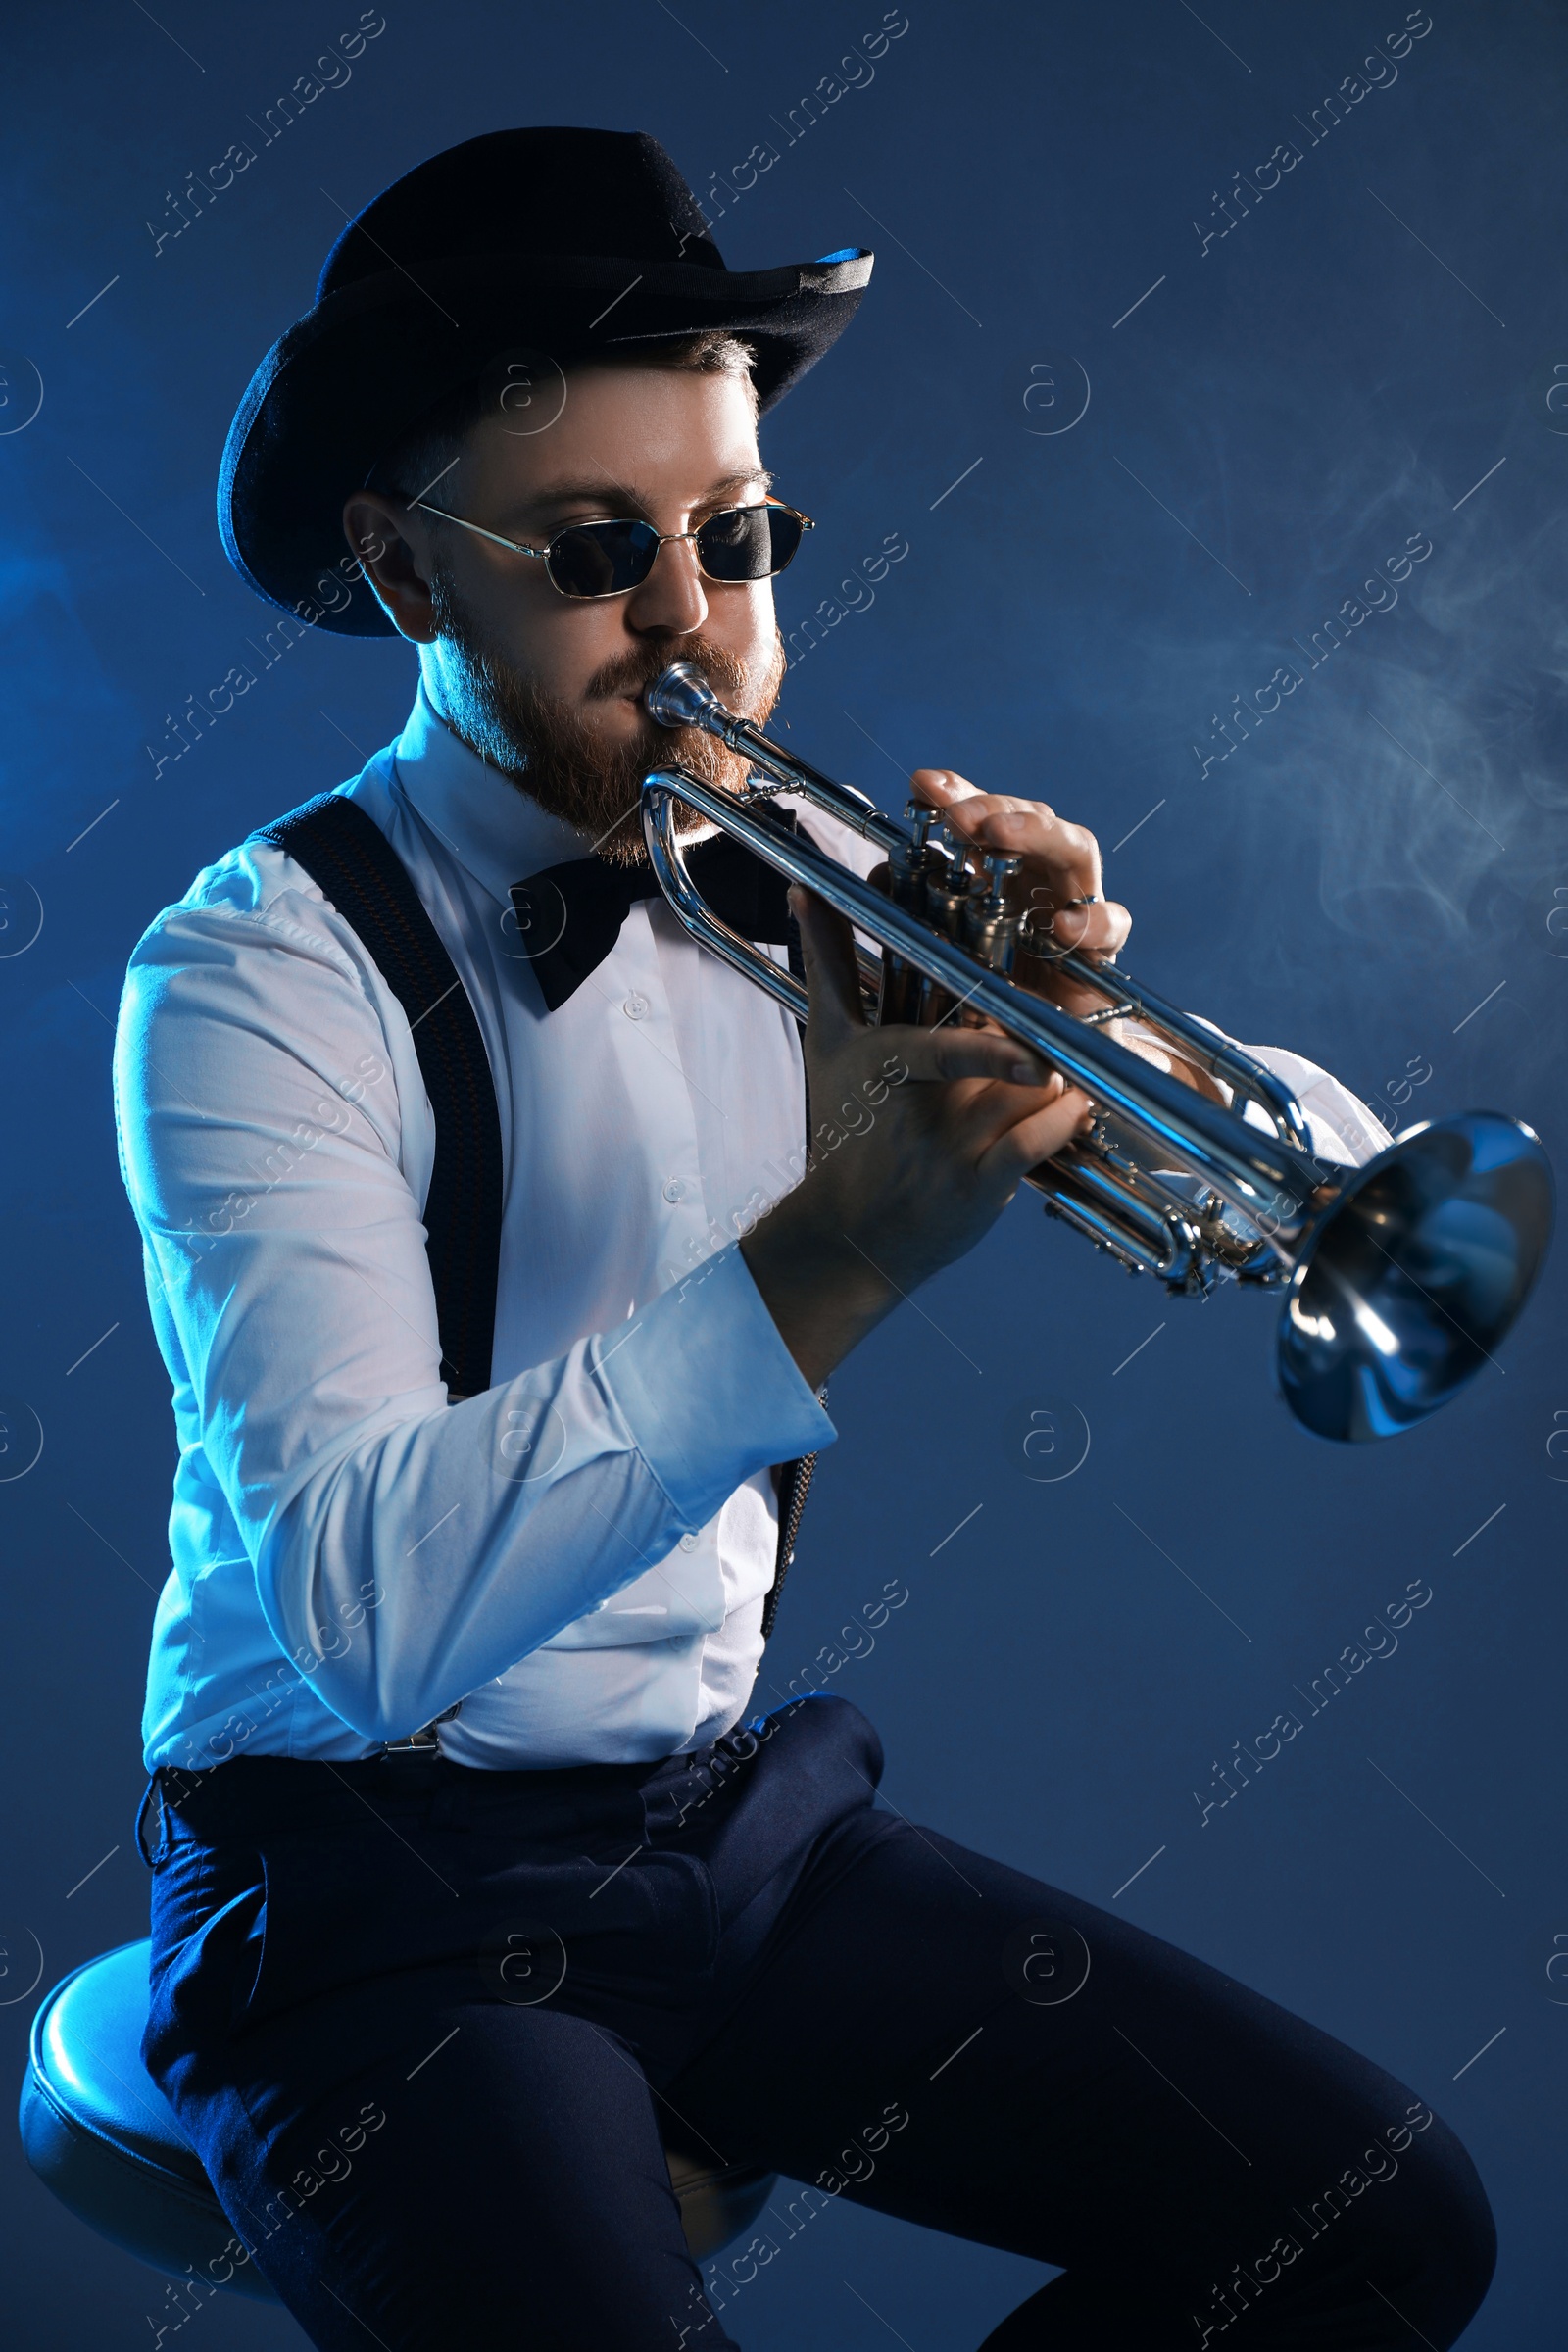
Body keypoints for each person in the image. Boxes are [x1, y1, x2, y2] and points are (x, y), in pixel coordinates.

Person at [115, 127, 1494, 2350]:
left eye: (736, 538)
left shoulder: (782, 871)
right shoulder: (258, 972)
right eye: (592, 549)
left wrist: (1101, 1019)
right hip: (360, 1889)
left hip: (723, 1830)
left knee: (1377, 2225)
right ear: (398, 569)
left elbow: (1282, 1164)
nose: (690, 620)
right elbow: (362, 1624)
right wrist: (834, 1250)